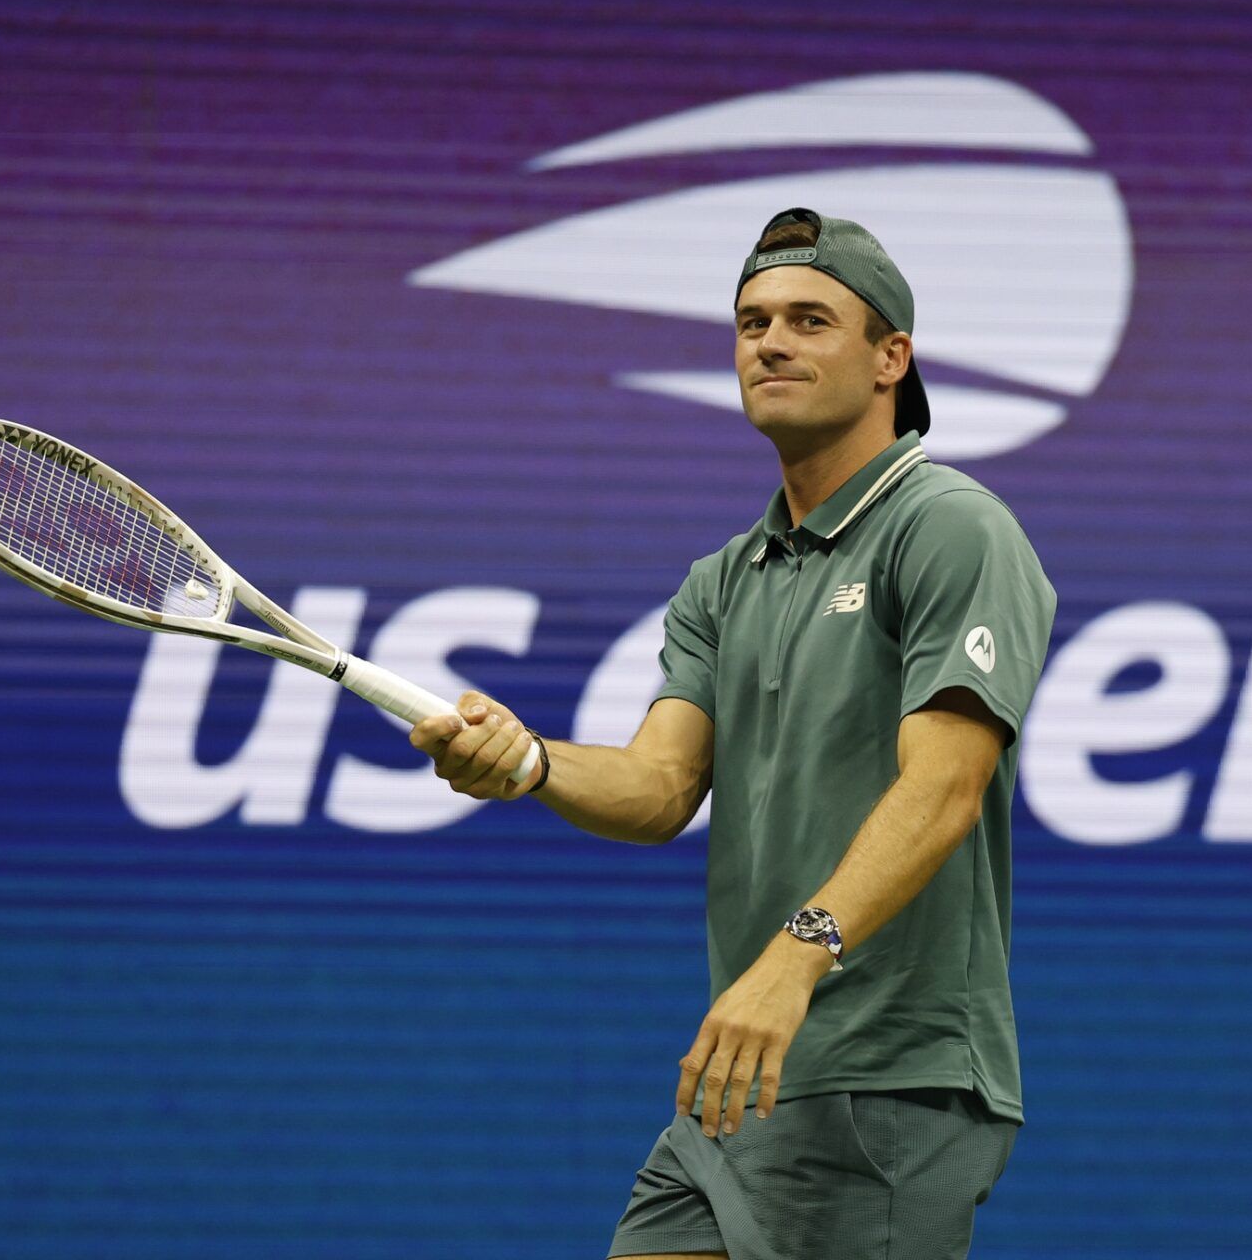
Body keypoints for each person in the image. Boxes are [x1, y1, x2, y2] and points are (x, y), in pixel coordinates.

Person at [409, 207, 1058, 1260]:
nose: (771, 341)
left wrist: (796, 957)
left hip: (883, 1076)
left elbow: (945, 786)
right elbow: (661, 785)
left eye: (811, 319)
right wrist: (529, 762)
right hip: (742, 1078)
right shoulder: (723, 577)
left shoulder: (950, 526)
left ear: (891, 356)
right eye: (753, 321)